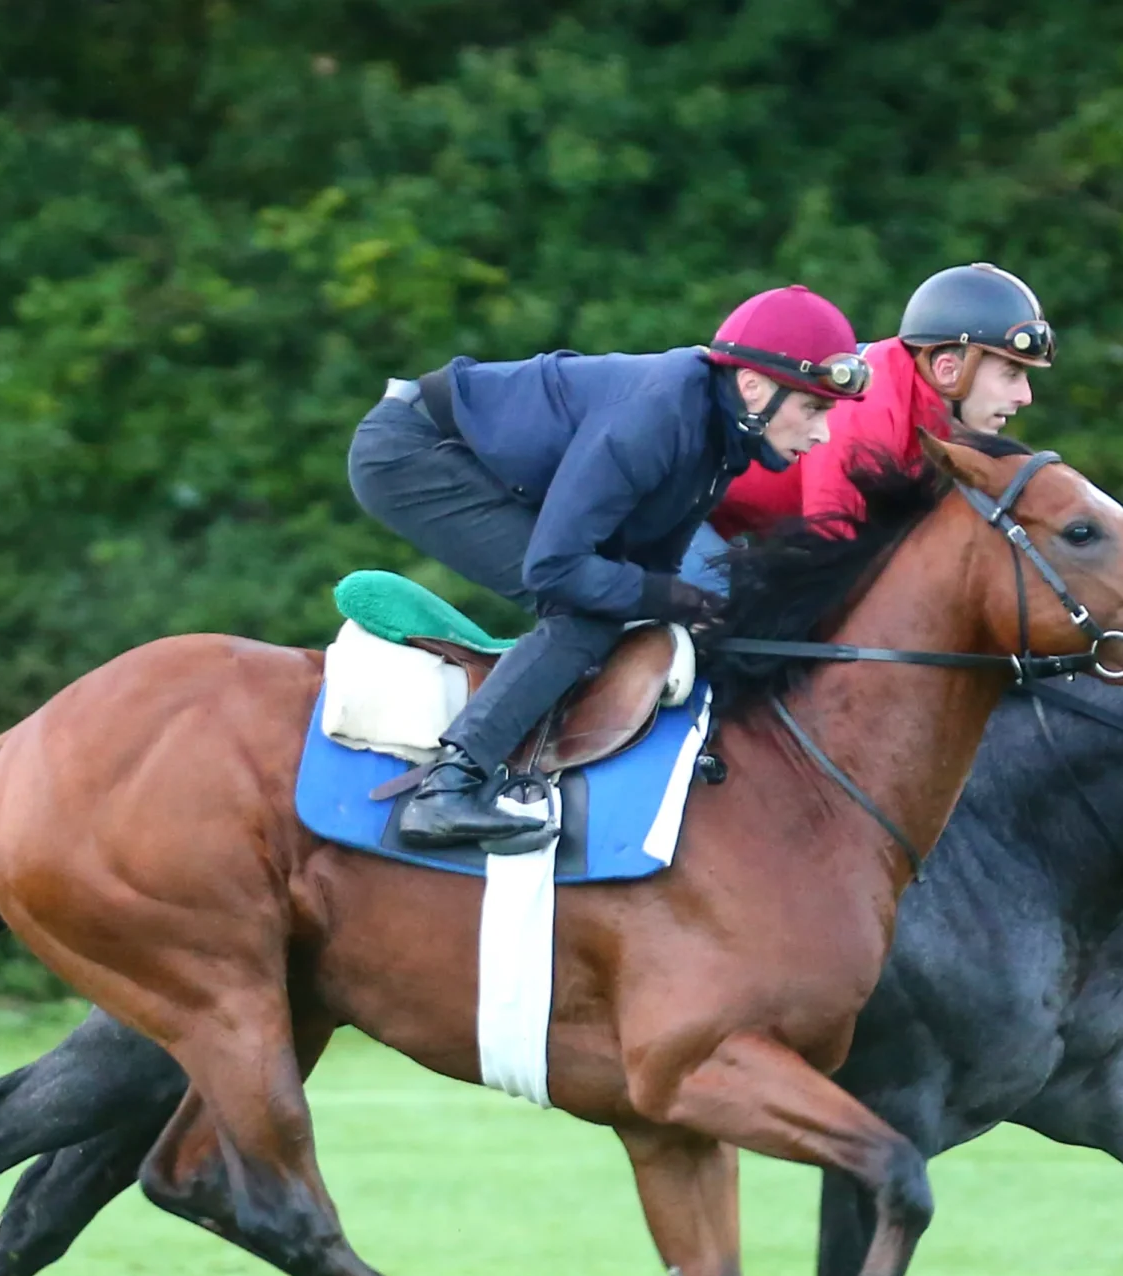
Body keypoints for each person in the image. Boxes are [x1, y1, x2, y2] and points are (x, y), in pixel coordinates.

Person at [347, 285, 869, 850]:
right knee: (585, 614)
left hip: (471, 454)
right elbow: (556, 568)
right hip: (411, 453)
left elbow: (652, 570)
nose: (823, 433)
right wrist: (680, 599)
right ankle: (448, 787)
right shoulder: (659, 417)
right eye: (813, 408)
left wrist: (700, 612)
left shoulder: (722, 437)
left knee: (621, 604)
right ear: (753, 386)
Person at [683, 263, 1053, 592]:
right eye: (1011, 374)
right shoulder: (870, 409)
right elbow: (830, 550)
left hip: (735, 526)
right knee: (723, 613)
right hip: (686, 509)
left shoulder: (936, 421)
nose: (1025, 396)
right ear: (948, 370)